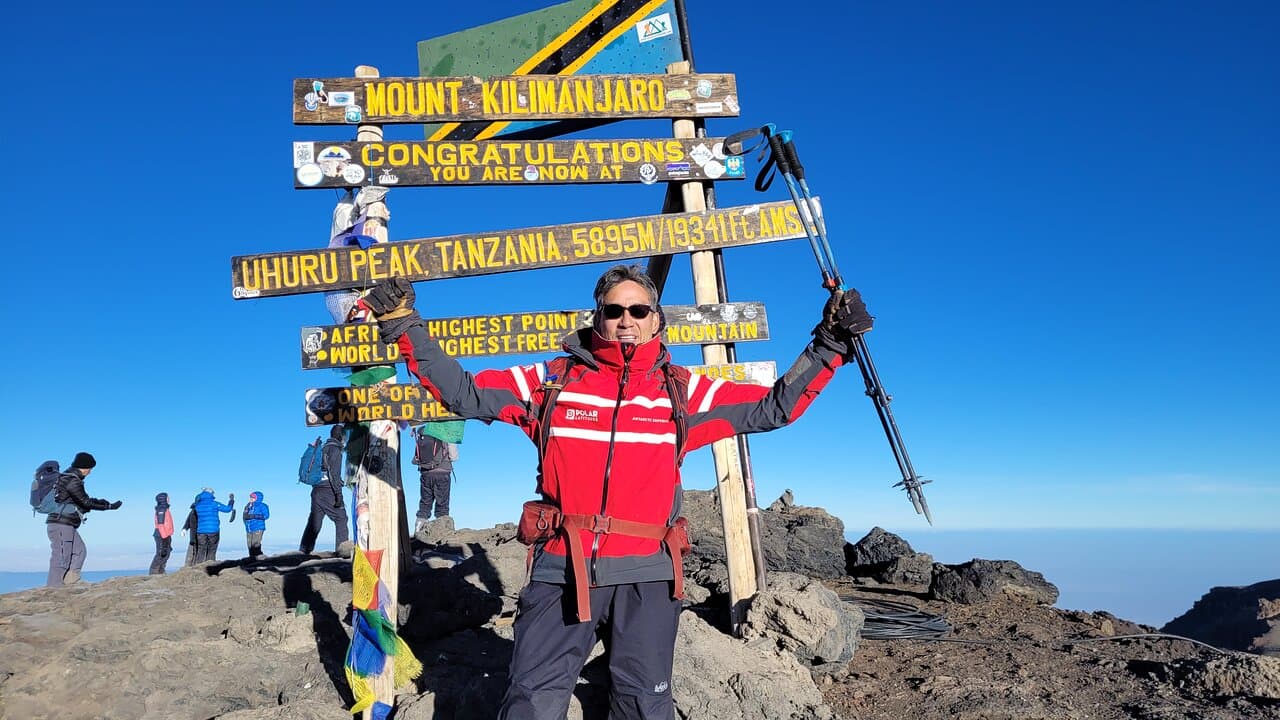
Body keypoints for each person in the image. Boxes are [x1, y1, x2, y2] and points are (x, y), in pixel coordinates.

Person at [358, 265, 872, 719]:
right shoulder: (551, 382)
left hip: (649, 573)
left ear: (656, 319)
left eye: (638, 309)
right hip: (562, 568)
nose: (627, 319)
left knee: (644, 704)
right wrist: (405, 325)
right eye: (614, 310)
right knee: (532, 701)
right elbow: (464, 393)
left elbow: (774, 407)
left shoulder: (682, 390)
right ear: (598, 317)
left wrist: (829, 343)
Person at [45, 452, 124, 587]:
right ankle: (54, 588)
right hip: (61, 524)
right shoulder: (72, 480)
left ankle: (70, 582)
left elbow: (82, 500)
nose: (90, 472)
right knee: (61, 557)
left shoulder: (69, 478)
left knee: (80, 551)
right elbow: (86, 502)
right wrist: (108, 506)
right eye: (90, 468)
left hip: (65, 524)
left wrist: (105, 504)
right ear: (84, 467)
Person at [299, 425, 352, 556]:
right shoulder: (335, 450)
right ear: (341, 436)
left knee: (315, 521)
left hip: (316, 490)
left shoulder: (323, 447)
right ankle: (343, 552)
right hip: (328, 490)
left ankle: (304, 550)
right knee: (341, 518)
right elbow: (334, 474)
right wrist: (338, 495)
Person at [412, 428, 455, 534]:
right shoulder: (445, 431)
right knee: (442, 504)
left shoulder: (423, 432)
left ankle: (418, 528)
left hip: (426, 474)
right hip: (442, 473)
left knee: (425, 503)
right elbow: (454, 456)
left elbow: (416, 457)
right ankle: (442, 532)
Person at [192, 487, 234, 563]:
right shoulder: (214, 504)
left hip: (201, 531)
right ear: (211, 494)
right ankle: (210, 566)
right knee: (212, 549)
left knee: (201, 550)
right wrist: (231, 501)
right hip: (213, 530)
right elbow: (228, 509)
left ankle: (198, 566)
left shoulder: (198, 505)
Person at [149, 492, 174, 574]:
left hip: (166, 534)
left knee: (167, 553)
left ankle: (161, 570)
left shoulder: (165, 509)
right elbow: (160, 524)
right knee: (160, 553)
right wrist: (165, 537)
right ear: (163, 499)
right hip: (161, 535)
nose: (169, 498)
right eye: (167, 497)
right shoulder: (161, 509)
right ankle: (154, 572)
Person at [242, 491, 270, 558]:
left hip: (258, 527)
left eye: (253, 497)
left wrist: (255, 516)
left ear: (258, 498)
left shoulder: (262, 506)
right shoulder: (248, 506)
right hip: (249, 528)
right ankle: (252, 558)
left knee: (255, 545)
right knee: (250, 545)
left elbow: (266, 516)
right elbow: (245, 516)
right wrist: (245, 522)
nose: (251, 498)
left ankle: (259, 558)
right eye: (251, 497)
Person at [181, 499, 200, 566]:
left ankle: (189, 567)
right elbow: (188, 521)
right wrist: (184, 529)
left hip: (196, 537)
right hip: (196, 537)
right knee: (193, 554)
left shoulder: (194, 510)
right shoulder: (193, 511)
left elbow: (188, 522)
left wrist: (185, 528)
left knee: (193, 554)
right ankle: (189, 568)